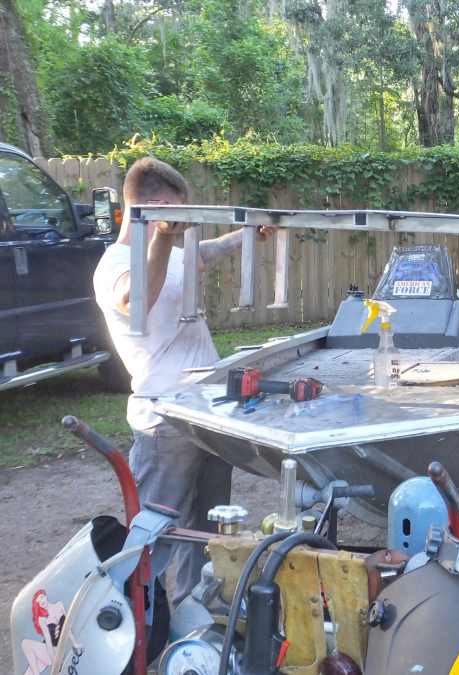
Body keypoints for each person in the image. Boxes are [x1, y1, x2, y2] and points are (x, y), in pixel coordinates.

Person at [93, 157, 273, 606]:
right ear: (150, 207)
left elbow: (204, 253)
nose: (179, 220)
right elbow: (137, 296)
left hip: (206, 409)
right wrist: (163, 237)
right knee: (154, 534)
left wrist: (247, 234)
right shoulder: (113, 263)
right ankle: (135, 630)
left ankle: (197, 617)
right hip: (164, 418)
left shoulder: (170, 253)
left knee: (209, 530)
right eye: (172, 211)